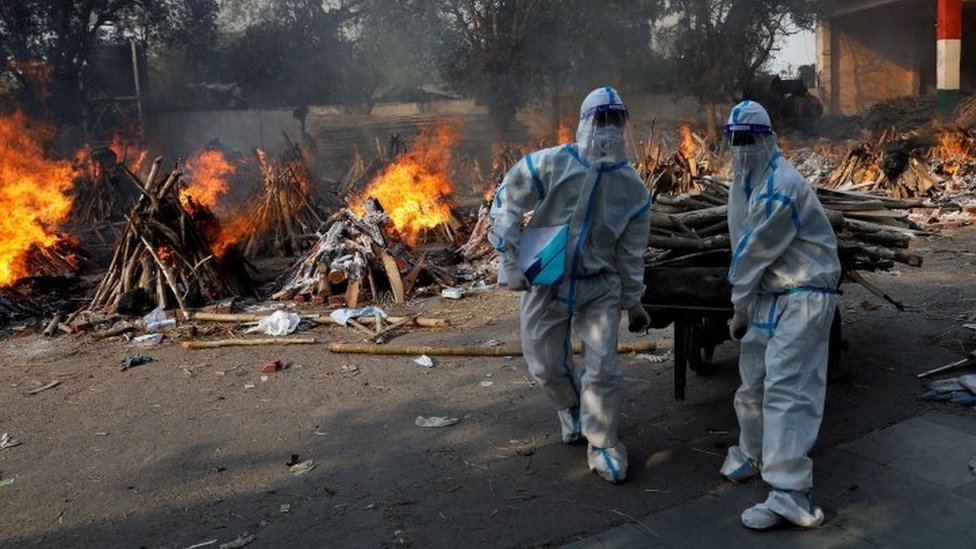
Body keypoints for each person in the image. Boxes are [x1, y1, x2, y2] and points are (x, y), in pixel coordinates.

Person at [488, 86, 651, 484]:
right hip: (547, 276)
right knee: (544, 364)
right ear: (584, 124)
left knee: (604, 366)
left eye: (616, 122)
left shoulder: (631, 188)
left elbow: (631, 251)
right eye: (601, 121)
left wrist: (634, 300)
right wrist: (508, 258)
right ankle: (571, 407)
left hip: (600, 284)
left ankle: (603, 442)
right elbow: (507, 201)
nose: (608, 131)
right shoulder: (550, 165)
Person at [719, 100, 842, 529]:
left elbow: (753, 251)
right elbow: (742, 241)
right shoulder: (745, 179)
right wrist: (748, 303)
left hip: (803, 293)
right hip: (771, 294)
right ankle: (753, 452)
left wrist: (737, 301)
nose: (741, 148)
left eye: (748, 139)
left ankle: (791, 494)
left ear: (768, 138)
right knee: (753, 378)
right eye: (734, 140)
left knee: (789, 388)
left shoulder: (780, 186)